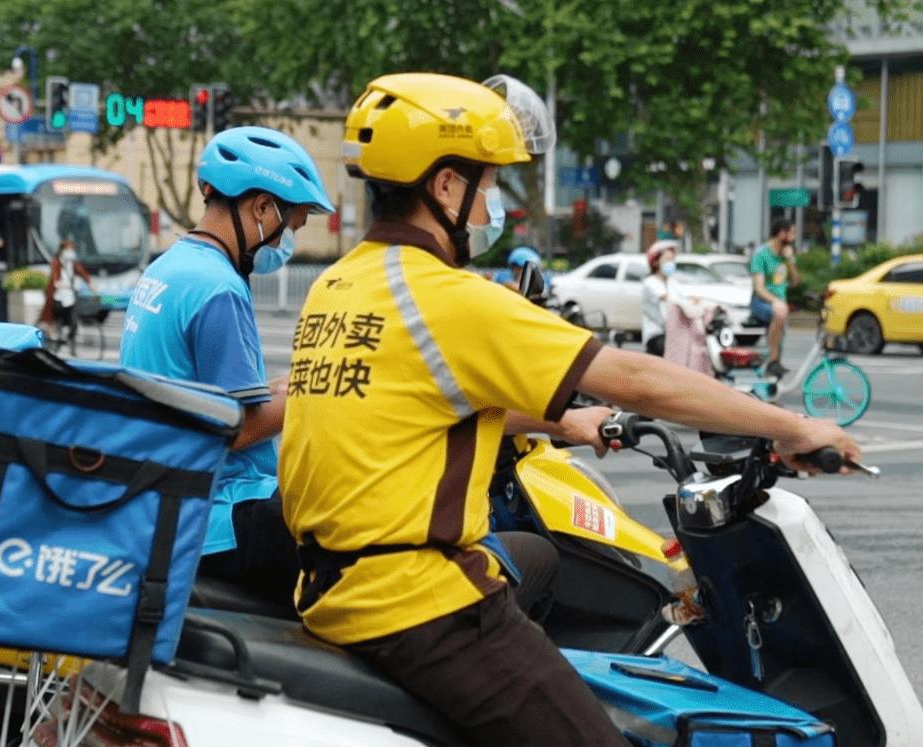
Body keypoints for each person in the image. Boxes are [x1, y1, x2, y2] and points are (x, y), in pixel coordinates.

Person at [278, 72, 861, 747]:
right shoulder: (448, 296)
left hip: (330, 580)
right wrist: (793, 425)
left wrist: (564, 422)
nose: (491, 202)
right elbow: (635, 377)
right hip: (413, 604)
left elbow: (409, 400)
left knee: (542, 557)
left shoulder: (338, 284)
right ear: (443, 185)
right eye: (487, 182)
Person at [118, 126, 335, 606]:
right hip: (216, 512)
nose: (288, 241)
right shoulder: (219, 289)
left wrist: (286, 385)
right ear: (261, 209)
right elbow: (236, 429)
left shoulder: (170, 268)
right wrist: (321, 389)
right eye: (292, 225)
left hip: (163, 495)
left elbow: (212, 392)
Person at [750, 218, 800, 377]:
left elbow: (795, 282)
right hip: (761, 303)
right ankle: (773, 361)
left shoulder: (786, 256)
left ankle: (772, 370)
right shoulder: (761, 254)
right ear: (781, 234)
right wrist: (776, 302)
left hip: (780, 305)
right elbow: (759, 288)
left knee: (781, 332)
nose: (794, 238)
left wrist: (790, 260)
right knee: (780, 313)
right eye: (791, 233)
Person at [38, 238, 95, 351]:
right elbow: (55, 279)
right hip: (57, 297)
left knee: (73, 323)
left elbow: (82, 272)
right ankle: (57, 341)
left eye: (72, 249)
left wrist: (90, 283)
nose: (71, 252)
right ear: (62, 250)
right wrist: (61, 285)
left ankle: (67, 340)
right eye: (68, 249)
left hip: (70, 297)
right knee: (58, 320)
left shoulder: (72, 263)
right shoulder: (56, 263)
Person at [641, 240, 679, 356]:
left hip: (672, 334)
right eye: (667, 260)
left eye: (672, 260)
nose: (671, 263)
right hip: (656, 335)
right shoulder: (650, 283)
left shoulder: (673, 283)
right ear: (656, 262)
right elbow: (665, 297)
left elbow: (683, 297)